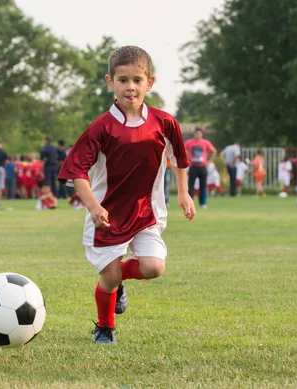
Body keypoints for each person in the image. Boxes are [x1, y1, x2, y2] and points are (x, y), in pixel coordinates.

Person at [57, 45, 195, 344]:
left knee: (154, 268)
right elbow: (76, 170)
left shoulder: (164, 122)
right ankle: (105, 327)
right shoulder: (102, 127)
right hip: (107, 215)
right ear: (110, 82)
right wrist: (93, 207)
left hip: (146, 211)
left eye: (136, 79)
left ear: (149, 83)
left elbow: (179, 158)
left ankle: (118, 280)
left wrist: (183, 193)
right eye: (122, 80)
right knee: (109, 278)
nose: (130, 86)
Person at [185, 127, 216, 209]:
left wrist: (209, 161)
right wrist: (188, 161)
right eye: (196, 133)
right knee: (190, 185)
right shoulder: (189, 142)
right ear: (194, 134)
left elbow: (213, 151)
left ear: (201, 134)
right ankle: (190, 203)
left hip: (202, 166)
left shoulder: (205, 142)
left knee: (203, 186)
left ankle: (203, 203)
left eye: (199, 133)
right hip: (193, 167)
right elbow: (183, 151)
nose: (197, 135)